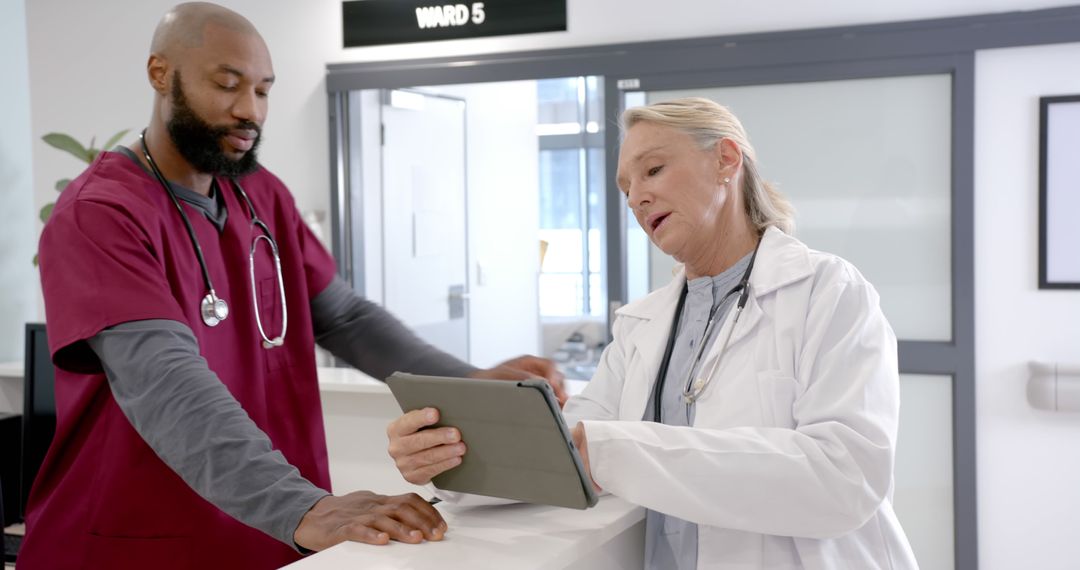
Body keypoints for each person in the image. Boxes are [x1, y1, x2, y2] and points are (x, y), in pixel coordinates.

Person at [23, 3, 564, 569]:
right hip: (137, 544)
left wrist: (471, 383)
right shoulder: (101, 212)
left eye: (263, 91)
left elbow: (347, 318)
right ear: (161, 74)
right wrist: (302, 506)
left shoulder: (260, 193)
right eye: (227, 85)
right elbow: (163, 384)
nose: (248, 111)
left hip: (267, 538)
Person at [387, 97, 918, 569]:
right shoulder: (643, 323)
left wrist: (612, 450)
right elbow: (569, 454)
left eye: (654, 170)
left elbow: (843, 478)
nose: (636, 197)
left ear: (725, 160)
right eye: (625, 187)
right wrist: (455, 453)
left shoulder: (826, 291)